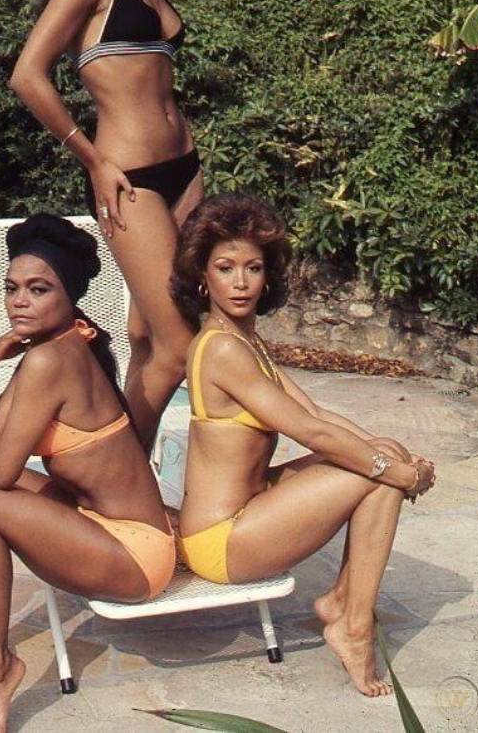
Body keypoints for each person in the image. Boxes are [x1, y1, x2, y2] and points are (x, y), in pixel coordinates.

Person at [0, 213, 175, 733]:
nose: (19, 300)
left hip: (135, 553)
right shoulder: (53, 349)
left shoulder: (52, 360)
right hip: (98, 524)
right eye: (11, 288)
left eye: (38, 289)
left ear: (68, 296)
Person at [170, 193, 436, 697]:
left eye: (253, 267)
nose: (241, 281)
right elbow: (308, 434)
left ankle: (344, 605)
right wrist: (396, 473)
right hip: (222, 539)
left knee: (380, 455)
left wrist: (395, 455)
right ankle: (352, 624)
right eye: (225, 268)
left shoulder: (245, 340)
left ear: (268, 275)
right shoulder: (222, 347)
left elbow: (316, 414)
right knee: (374, 472)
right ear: (202, 277)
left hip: (247, 510)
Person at [9, 0, 203, 448]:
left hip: (184, 170)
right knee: (180, 347)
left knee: (149, 336)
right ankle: (117, 481)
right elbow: (27, 75)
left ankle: (129, 495)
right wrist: (93, 159)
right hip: (129, 177)